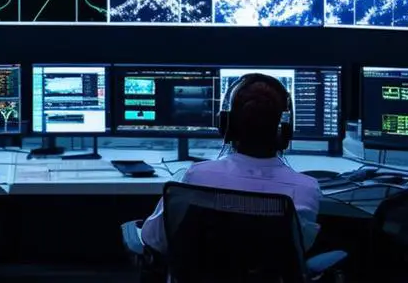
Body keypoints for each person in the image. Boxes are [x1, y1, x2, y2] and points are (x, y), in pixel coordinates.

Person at [137, 73, 322, 255]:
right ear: (286, 132)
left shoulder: (196, 177)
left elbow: (154, 240)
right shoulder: (306, 189)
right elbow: (298, 250)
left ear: (226, 126)